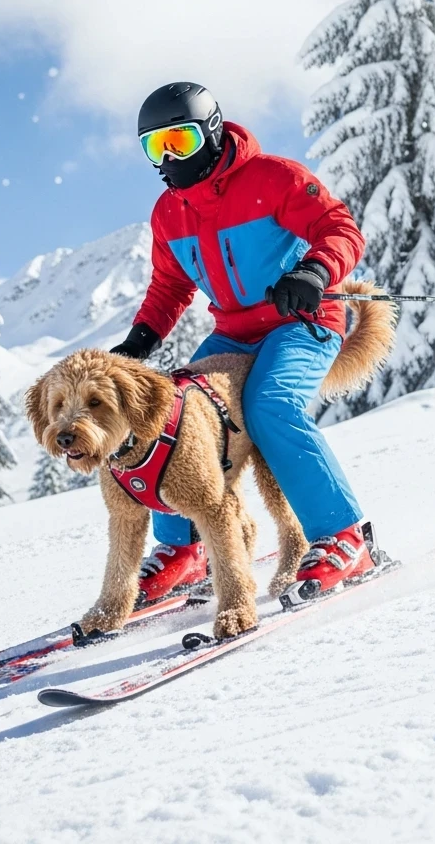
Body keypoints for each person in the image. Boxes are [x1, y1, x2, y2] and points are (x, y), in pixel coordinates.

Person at [111, 81, 376, 603]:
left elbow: (339, 228)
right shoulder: (169, 213)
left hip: (302, 318)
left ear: (210, 133)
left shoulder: (272, 178)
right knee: (175, 412)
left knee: (270, 405)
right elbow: (170, 285)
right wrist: (141, 339)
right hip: (234, 330)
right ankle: (186, 550)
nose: (168, 157)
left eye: (180, 142)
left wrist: (314, 272)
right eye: (154, 146)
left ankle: (345, 536)